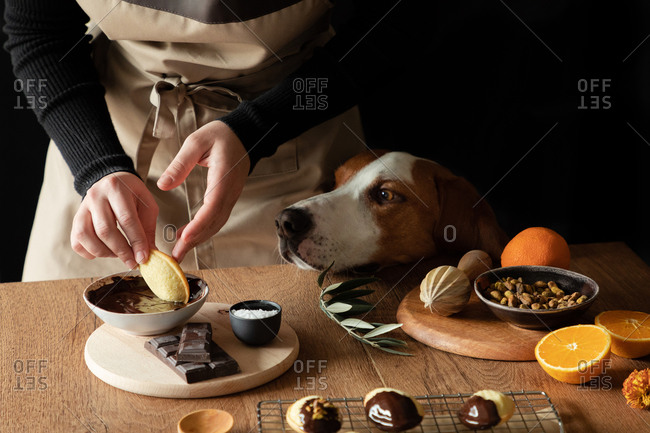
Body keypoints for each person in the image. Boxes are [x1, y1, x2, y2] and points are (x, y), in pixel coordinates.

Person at [4, 0, 419, 281]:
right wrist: (96, 166)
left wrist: (257, 128)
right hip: (104, 140)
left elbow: (396, 21)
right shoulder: (96, 162)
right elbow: (38, 32)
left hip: (296, 129)